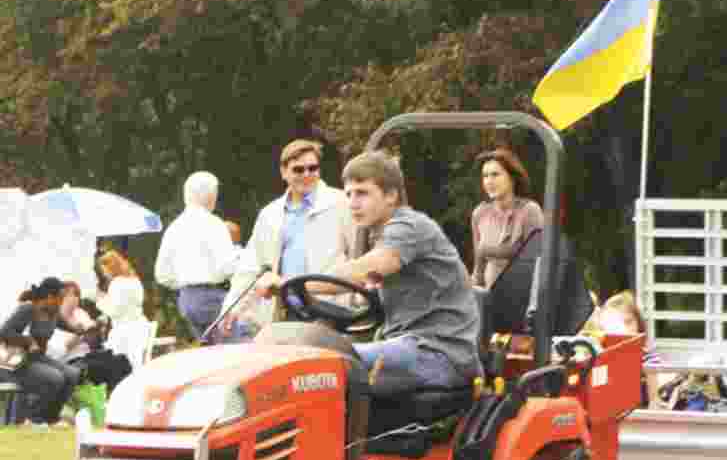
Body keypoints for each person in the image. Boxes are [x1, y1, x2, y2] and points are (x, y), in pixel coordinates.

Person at [311, 149, 482, 397]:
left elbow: (367, 268)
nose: (352, 202)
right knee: (315, 351)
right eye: (348, 194)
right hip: (408, 345)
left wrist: (295, 284)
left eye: (362, 193)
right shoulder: (382, 234)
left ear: (391, 195)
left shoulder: (409, 227)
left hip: (439, 352)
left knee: (327, 364)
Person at [220, 139, 355, 337]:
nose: (307, 174)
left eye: (313, 168)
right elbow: (250, 267)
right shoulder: (270, 215)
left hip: (331, 311)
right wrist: (232, 308)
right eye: (298, 170)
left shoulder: (342, 203)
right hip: (285, 312)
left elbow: (359, 256)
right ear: (284, 172)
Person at [154, 171, 240, 342]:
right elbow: (227, 268)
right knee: (235, 352)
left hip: (186, 300)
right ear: (211, 195)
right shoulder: (214, 223)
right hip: (213, 298)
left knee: (207, 354)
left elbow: (161, 274)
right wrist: (240, 259)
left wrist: (187, 282)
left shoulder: (174, 227)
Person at [0, 277, 80, 428]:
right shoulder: (28, 309)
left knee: (72, 374)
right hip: (17, 362)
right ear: (50, 297)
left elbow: (66, 325)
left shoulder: (53, 312)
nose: (62, 302)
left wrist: (78, 329)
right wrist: (28, 341)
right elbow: (4, 332)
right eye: (60, 298)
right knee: (55, 378)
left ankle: (50, 418)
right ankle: (33, 419)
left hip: (37, 358)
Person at [470, 147, 545, 288]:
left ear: (512, 178)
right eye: (485, 176)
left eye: (495, 175)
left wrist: (490, 250)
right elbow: (478, 271)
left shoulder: (529, 211)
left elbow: (539, 263)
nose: (489, 181)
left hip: (523, 296)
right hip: (490, 298)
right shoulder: (479, 213)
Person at [96, 247, 146, 324]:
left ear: (111, 268)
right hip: (140, 324)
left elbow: (114, 311)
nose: (104, 274)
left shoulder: (117, 283)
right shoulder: (135, 280)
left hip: (124, 328)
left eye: (104, 271)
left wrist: (99, 300)